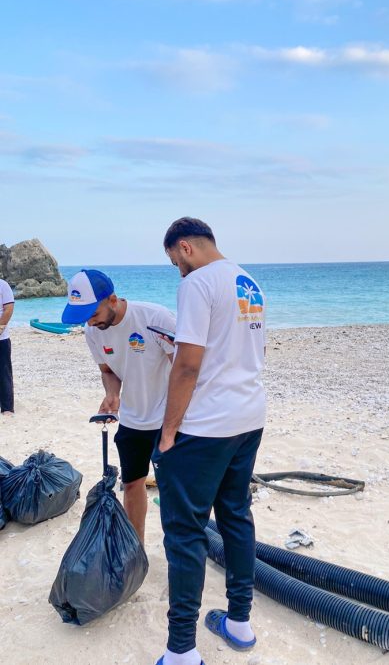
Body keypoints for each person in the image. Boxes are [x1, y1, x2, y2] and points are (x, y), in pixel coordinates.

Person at [154, 218, 266, 665]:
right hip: (249, 416)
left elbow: (186, 365)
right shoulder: (248, 280)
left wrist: (167, 431)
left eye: (173, 261)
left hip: (205, 428)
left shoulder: (198, 282)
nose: (176, 270)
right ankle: (239, 622)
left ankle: (181, 650)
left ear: (185, 248)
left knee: (184, 533)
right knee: (236, 517)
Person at [62, 269, 176, 545]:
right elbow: (107, 370)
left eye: (93, 312)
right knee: (133, 484)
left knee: (175, 490)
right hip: (133, 421)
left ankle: (179, 550)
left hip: (168, 420)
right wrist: (113, 394)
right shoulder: (93, 332)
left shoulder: (155, 318)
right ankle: (135, 548)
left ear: (112, 299)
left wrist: (180, 418)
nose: (89, 321)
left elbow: (185, 367)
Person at [0, 278, 15, 416]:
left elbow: (9, 308)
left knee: (3, 373)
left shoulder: (3, 285)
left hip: (1, 338)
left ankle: (7, 408)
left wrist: (0, 328)